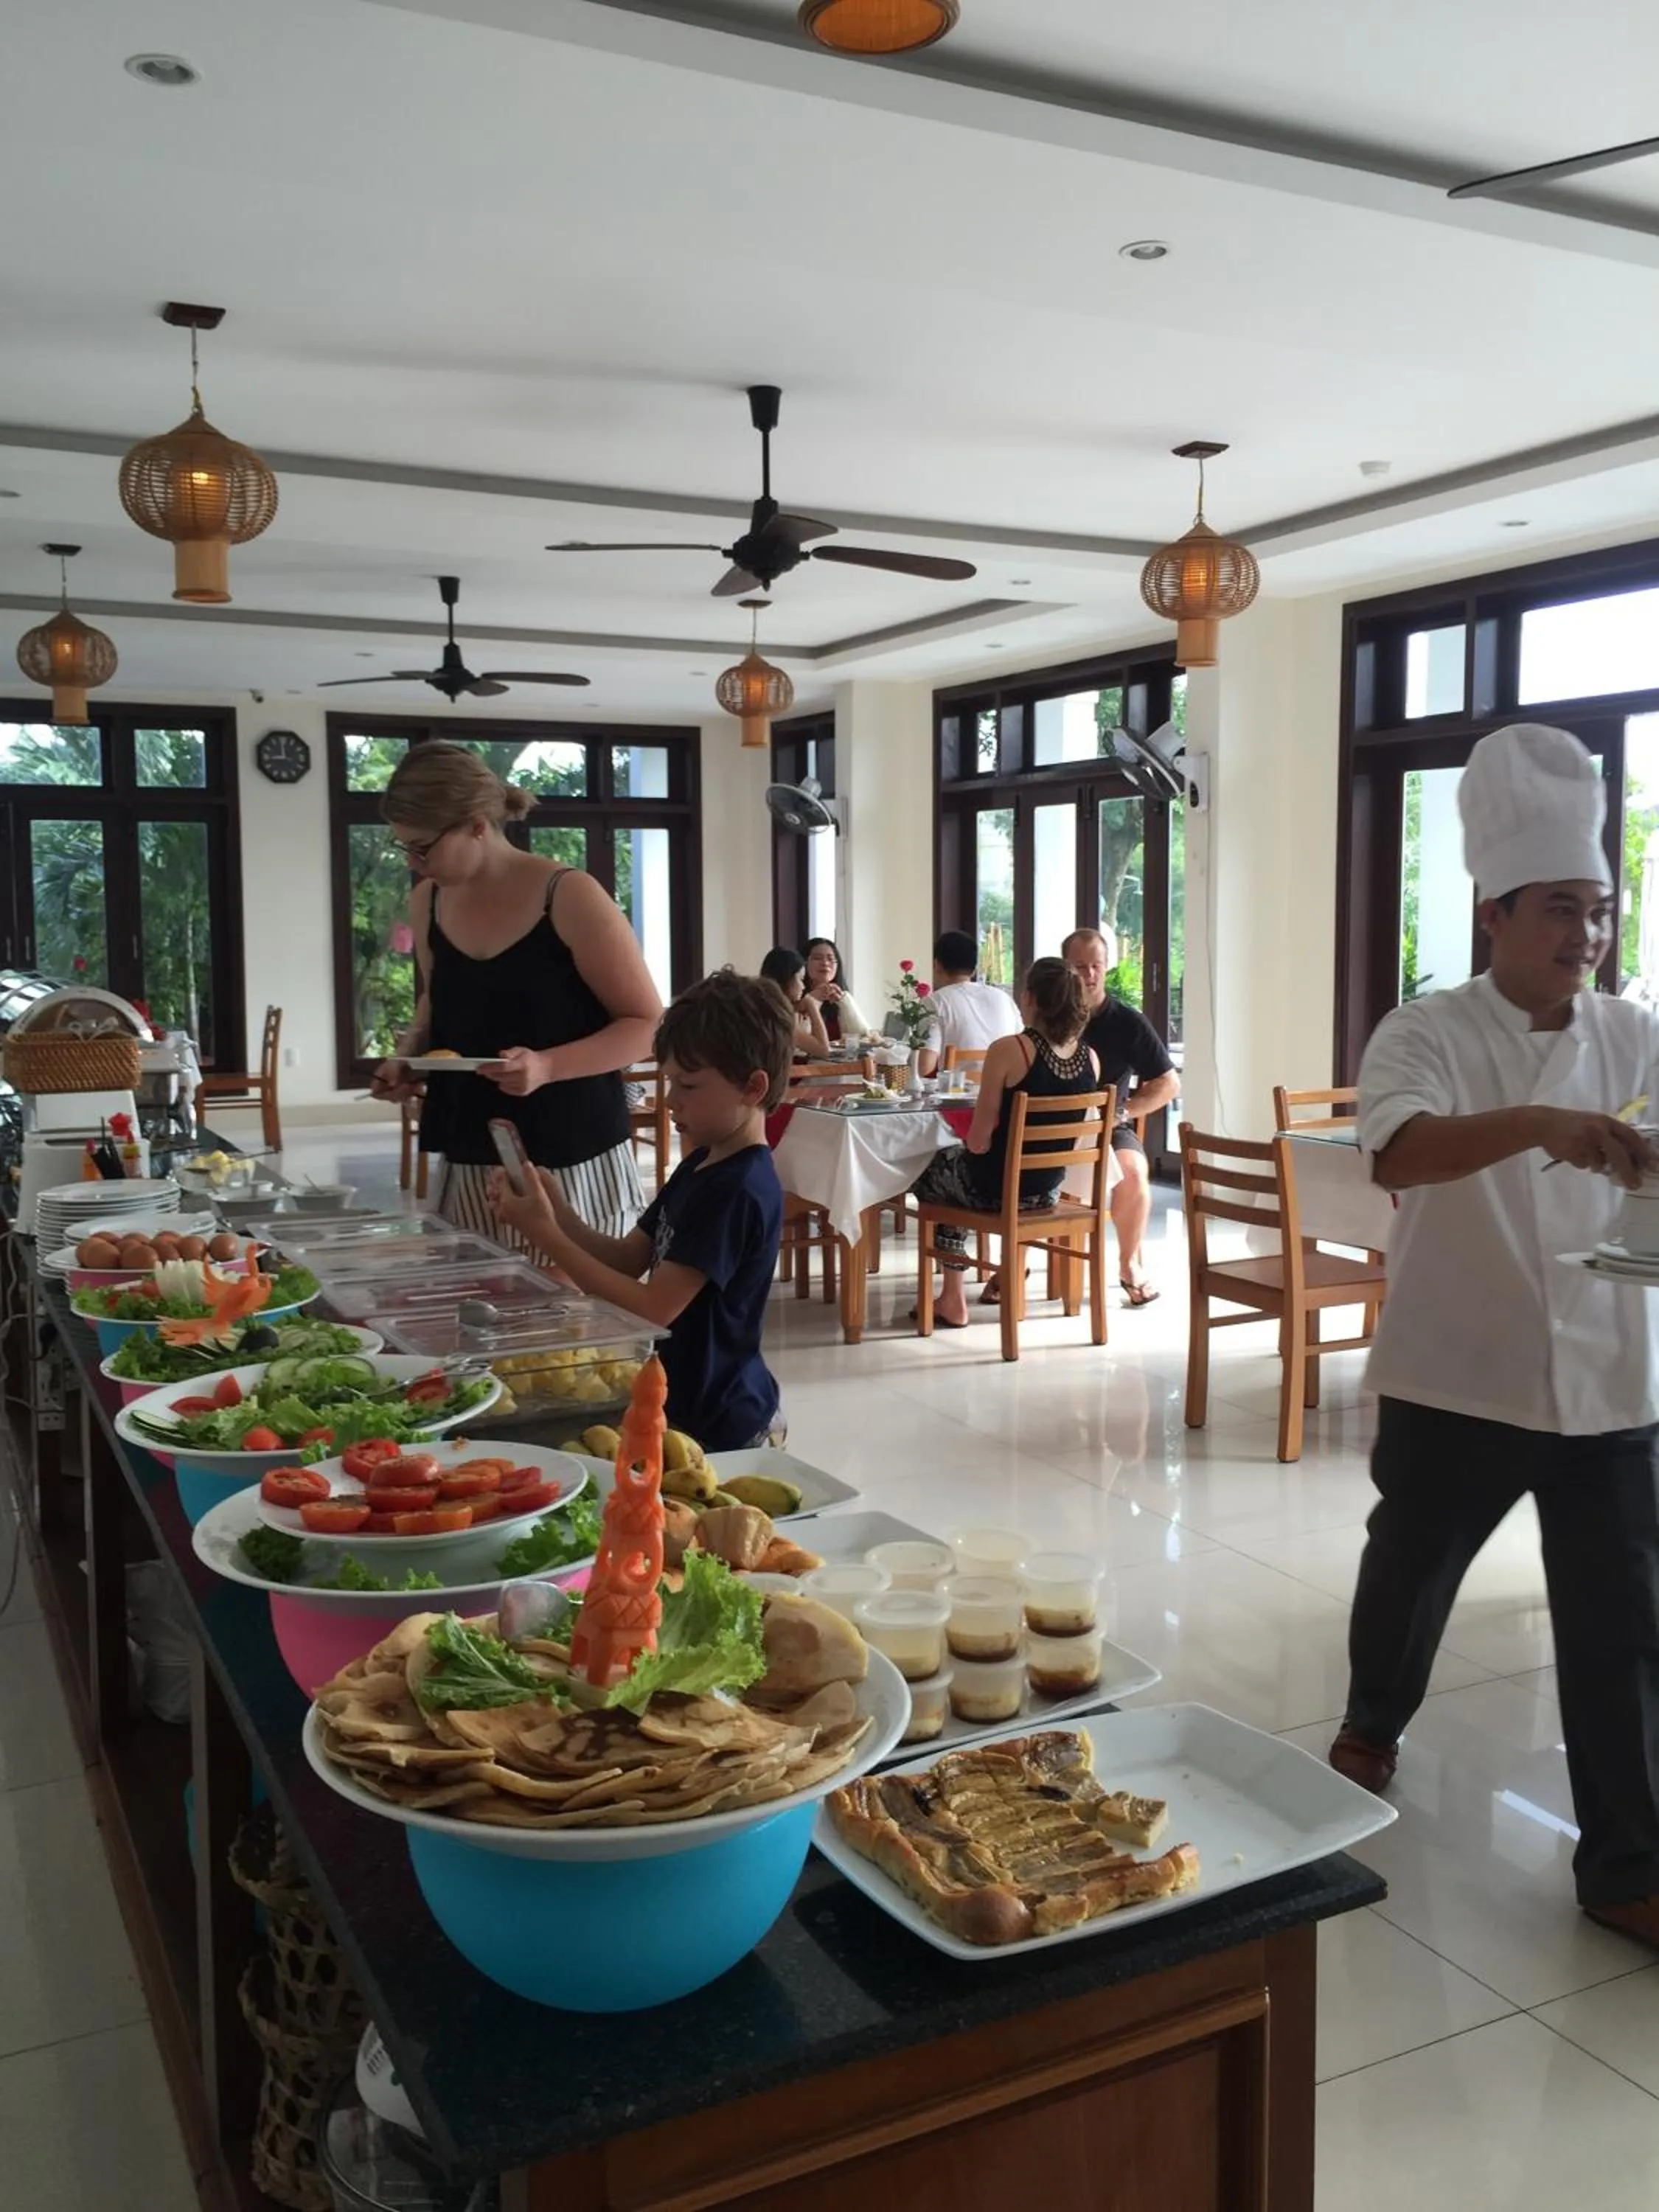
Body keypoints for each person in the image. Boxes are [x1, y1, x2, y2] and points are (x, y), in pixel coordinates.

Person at [1330, 722, 1659, 1948]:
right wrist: (1536, 1123)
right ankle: (1371, 1724)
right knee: (1410, 1569)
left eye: (1599, 911)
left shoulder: (1634, 1034)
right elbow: (1398, 1152)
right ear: (1495, 914)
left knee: (1624, 1625)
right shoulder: (1424, 1031)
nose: (1586, 934)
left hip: (1611, 1376)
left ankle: (1626, 1867)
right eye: (1561, 908)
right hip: (1458, 1369)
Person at [490, 970, 794, 1451]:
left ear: (753, 1088)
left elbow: (653, 1310)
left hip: (721, 1421)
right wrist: (558, 1211)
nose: (671, 1101)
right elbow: (629, 1258)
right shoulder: (703, 1162)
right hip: (681, 1403)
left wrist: (545, 1234)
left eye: (688, 1086)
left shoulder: (737, 1189)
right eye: (670, 1082)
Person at [369, 742, 661, 1243]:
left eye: (423, 847)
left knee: (569, 1294)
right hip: (470, 1145)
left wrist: (546, 1066)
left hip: (572, 1149)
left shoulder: (567, 895)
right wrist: (410, 1056)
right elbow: (441, 997)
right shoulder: (429, 901)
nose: (416, 864)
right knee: (477, 1289)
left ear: (476, 825)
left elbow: (647, 1024)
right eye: (406, 849)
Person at [909, 957, 1101, 1330]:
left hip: (996, 1190)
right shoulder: (1090, 1058)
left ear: (1029, 998)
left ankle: (952, 1296)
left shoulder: (1010, 1050)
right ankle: (1004, 1275)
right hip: (1047, 1190)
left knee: (934, 1170)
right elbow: (1077, 1138)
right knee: (953, 1173)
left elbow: (979, 1142)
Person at [1062, 925, 1180, 1306]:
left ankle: (1129, 1265)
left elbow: (1168, 1083)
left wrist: (1123, 1112)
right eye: (1080, 966)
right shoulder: (1049, 1016)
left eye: (1096, 965)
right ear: (1065, 968)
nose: (1089, 975)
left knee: (1133, 1172)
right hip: (1051, 1125)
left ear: (1107, 966)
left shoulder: (1126, 1021)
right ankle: (1011, 1269)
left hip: (1109, 1123)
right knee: (1019, 1170)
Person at [915, 928, 1021, 1079]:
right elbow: (1021, 1050)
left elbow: (925, 1068)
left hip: (956, 1092)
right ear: (974, 969)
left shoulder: (934, 1002)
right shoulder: (1003, 998)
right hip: (1004, 1090)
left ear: (937, 965)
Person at [759, 945, 832, 1057]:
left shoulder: (766, 1005)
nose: (803, 986)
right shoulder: (777, 1016)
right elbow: (823, 1050)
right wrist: (811, 1004)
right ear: (786, 979)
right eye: (801, 979)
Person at [802, 936, 872, 1045]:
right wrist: (811, 1001)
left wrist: (844, 1003)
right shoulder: (796, 996)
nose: (825, 963)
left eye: (830, 959)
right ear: (805, 963)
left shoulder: (842, 997)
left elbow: (865, 1037)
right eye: (817, 958)